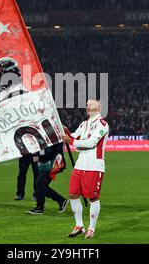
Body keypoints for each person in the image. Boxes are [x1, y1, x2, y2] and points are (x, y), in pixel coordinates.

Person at [63, 99, 109, 239]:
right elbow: (75, 137)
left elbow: (90, 143)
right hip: (80, 164)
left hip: (94, 165)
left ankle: (91, 229)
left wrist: (71, 141)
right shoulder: (84, 124)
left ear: (99, 107)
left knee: (93, 198)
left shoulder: (102, 124)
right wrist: (65, 132)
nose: (87, 106)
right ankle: (79, 226)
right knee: (73, 194)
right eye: (87, 104)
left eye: (90, 104)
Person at [27, 142, 68, 215]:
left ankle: (40, 207)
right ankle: (61, 200)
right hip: (46, 164)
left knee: (39, 184)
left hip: (54, 164)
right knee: (40, 185)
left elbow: (54, 153)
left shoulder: (53, 137)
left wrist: (40, 158)